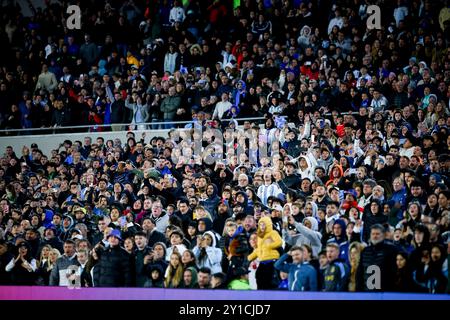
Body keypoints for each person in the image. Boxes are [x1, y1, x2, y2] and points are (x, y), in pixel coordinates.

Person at [357, 224, 398, 291]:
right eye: (373, 234)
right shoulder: (365, 251)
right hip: (366, 293)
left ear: (383, 235)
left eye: (377, 234)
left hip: (384, 293)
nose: (375, 236)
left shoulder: (391, 250)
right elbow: (360, 273)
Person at [247, 216, 283, 289]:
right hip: (262, 262)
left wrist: (269, 245)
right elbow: (258, 250)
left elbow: (279, 242)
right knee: (259, 279)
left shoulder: (273, 232)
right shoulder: (259, 236)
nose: (262, 226)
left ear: (269, 224)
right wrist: (249, 258)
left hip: (272, 261)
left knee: (271, 283)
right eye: (260, 224)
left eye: (264, 224)